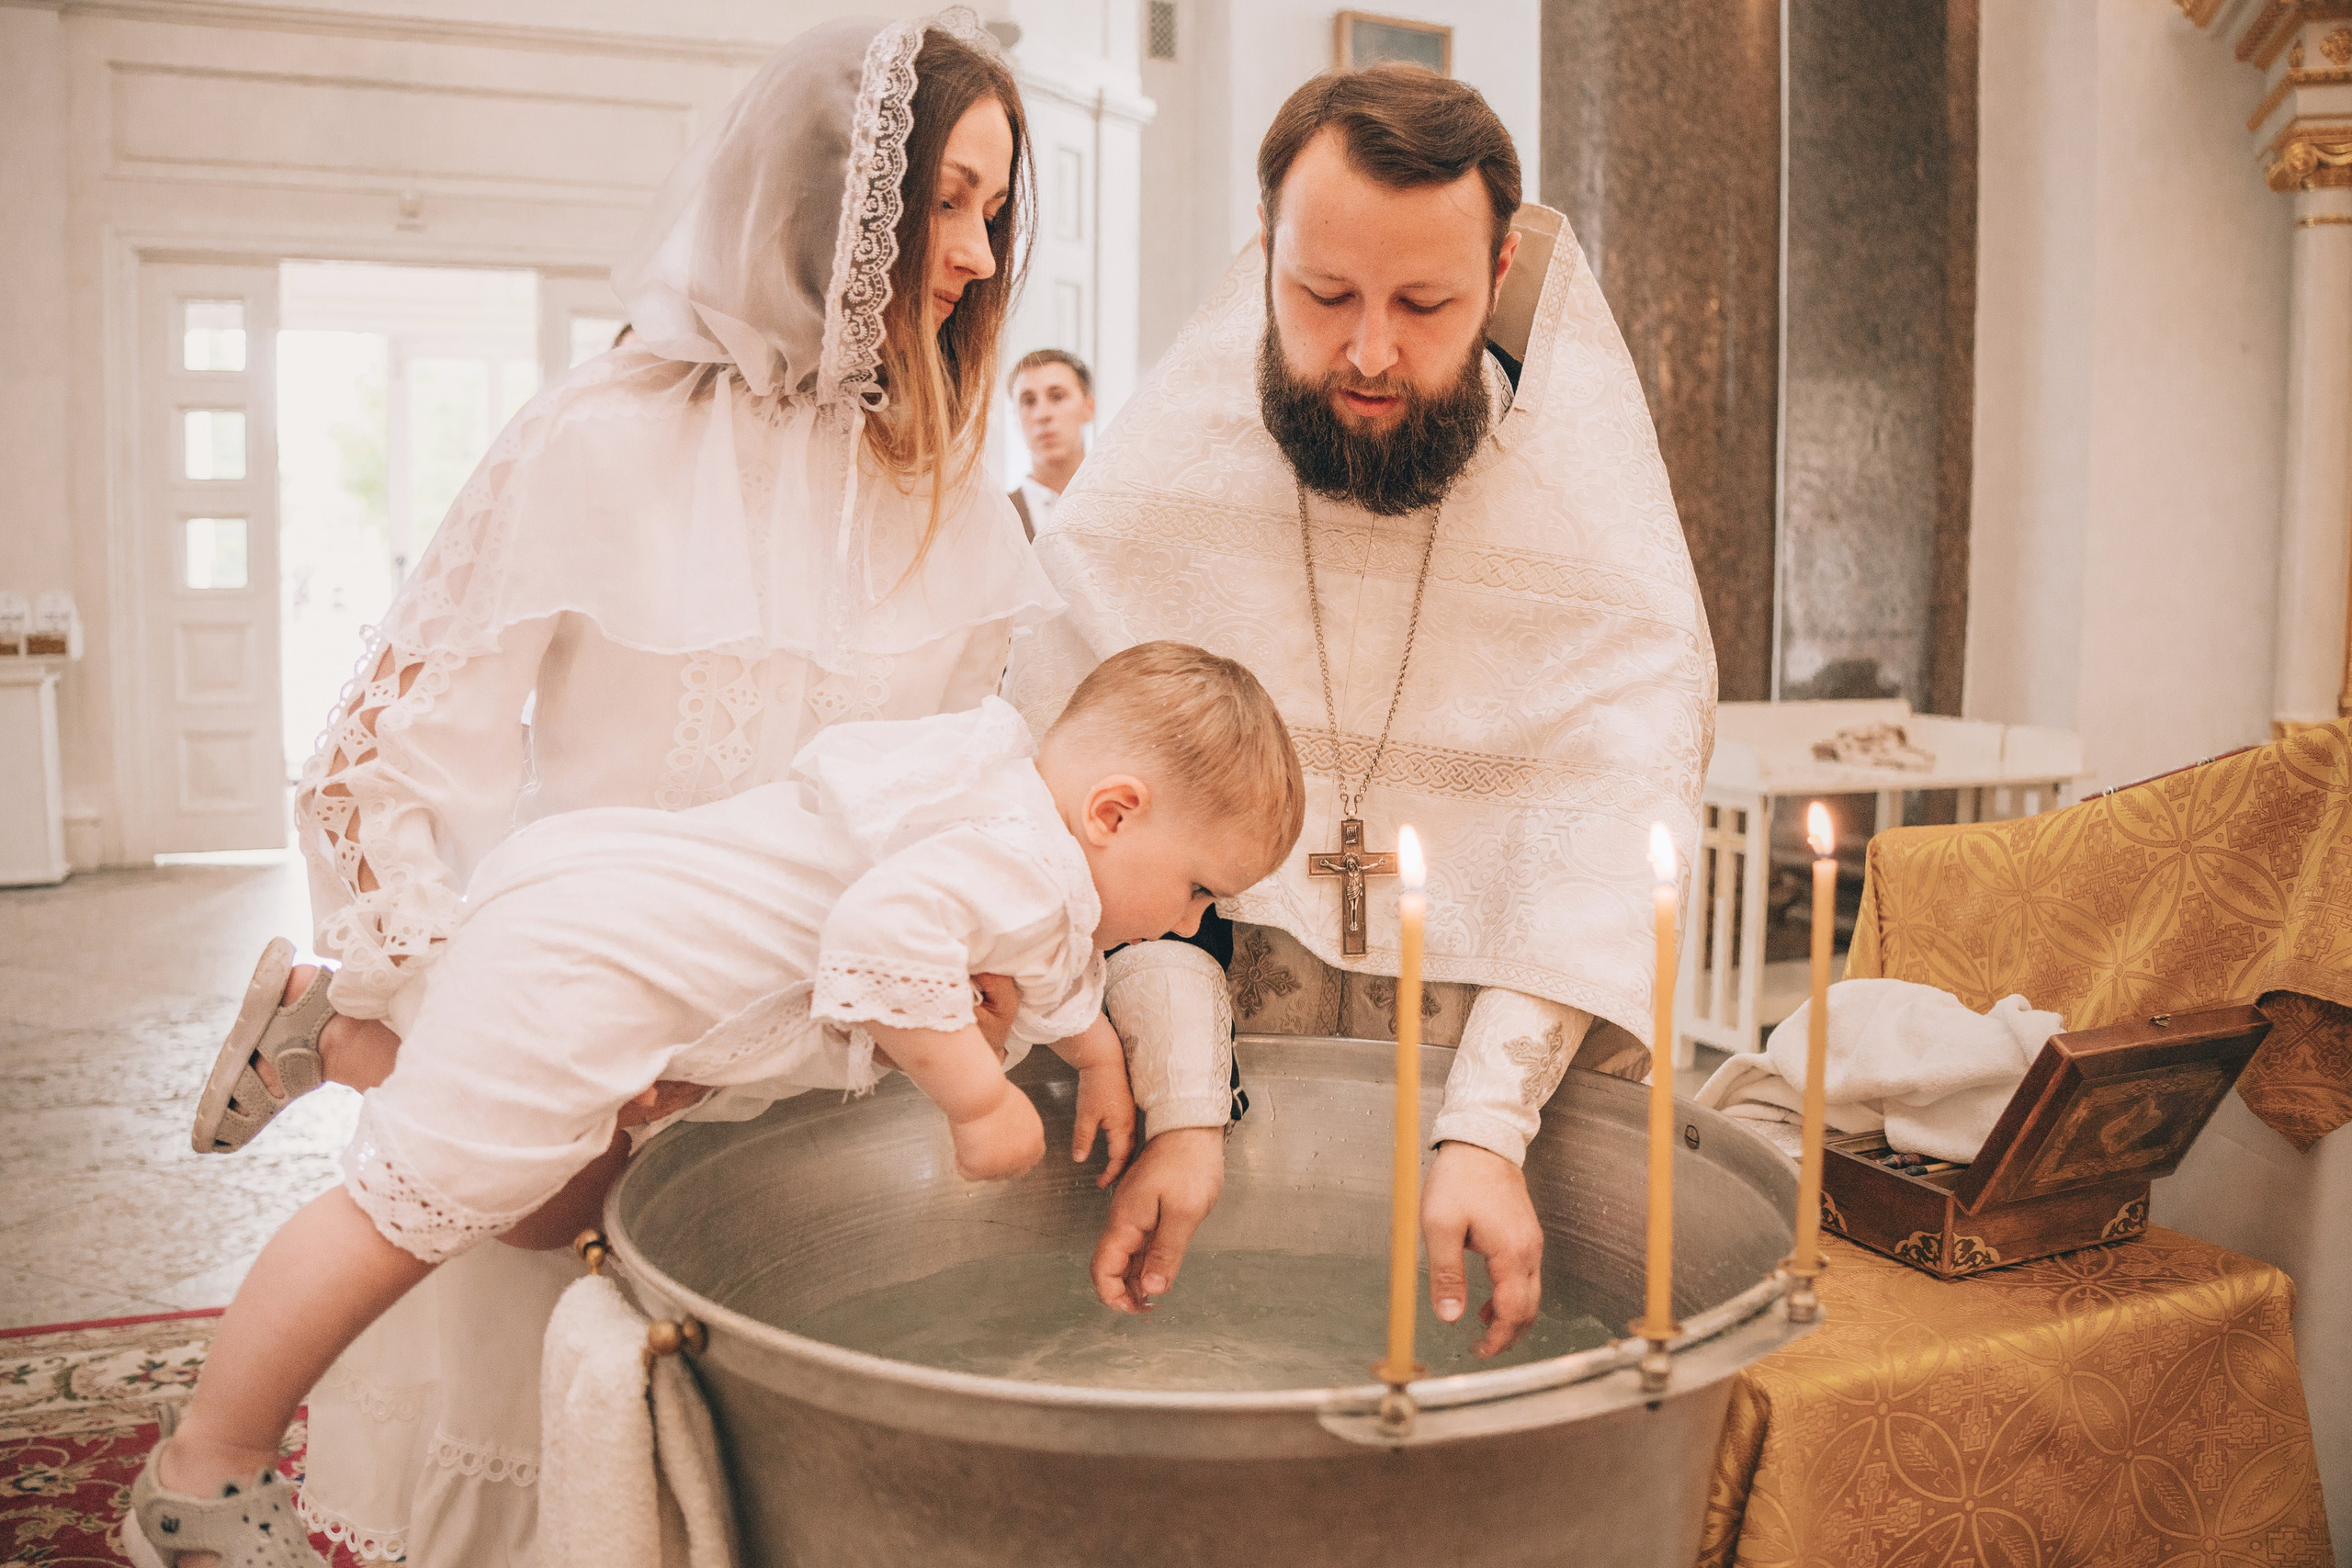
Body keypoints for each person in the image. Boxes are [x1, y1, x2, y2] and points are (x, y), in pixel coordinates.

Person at [179, 16, 1054, 1564]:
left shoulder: (947, 483)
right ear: (831, 198)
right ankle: (345, 1039)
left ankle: (329, 1033)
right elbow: (378, 768)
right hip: (574, 1008)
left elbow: (948, 780)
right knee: (538, 1320)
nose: (982, 256)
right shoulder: (596, 438)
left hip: (785, 1077)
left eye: (998, 212)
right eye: (950, 204)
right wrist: (458, 1010)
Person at [128, 646, 1305, 1568]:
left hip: (600, 910)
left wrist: (1098, 1060)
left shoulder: (1006, 805)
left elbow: (1049, 978)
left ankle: (332, 1036)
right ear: (1113, 812)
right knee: (406, 1214)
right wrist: (977, 1100)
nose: (1185, 920)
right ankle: (205, 1476)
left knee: (530, 1171)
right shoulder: (1027, 865)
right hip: (596, 974)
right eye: (1197, 887)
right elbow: (883, 933)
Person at [1009, 65, 1713, 1356]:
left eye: (1425, 304)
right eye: (1323, 295)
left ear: (1499, 270)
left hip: (1504, 1142)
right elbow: (1091, 841)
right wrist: (1183, 1101)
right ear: (1264, 250)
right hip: (1185, 1149)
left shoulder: (1591, 544)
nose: (1371, 351)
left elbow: (1609, 846)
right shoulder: (1148, 511)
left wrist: (1487, 1129)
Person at [1005, 348, 1094, 539]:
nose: (1042, 414)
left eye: (1057, 396)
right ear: (1015, 417)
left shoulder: (1123, 504)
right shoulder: (997, 514)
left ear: (1089, 407)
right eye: (1028, 401)